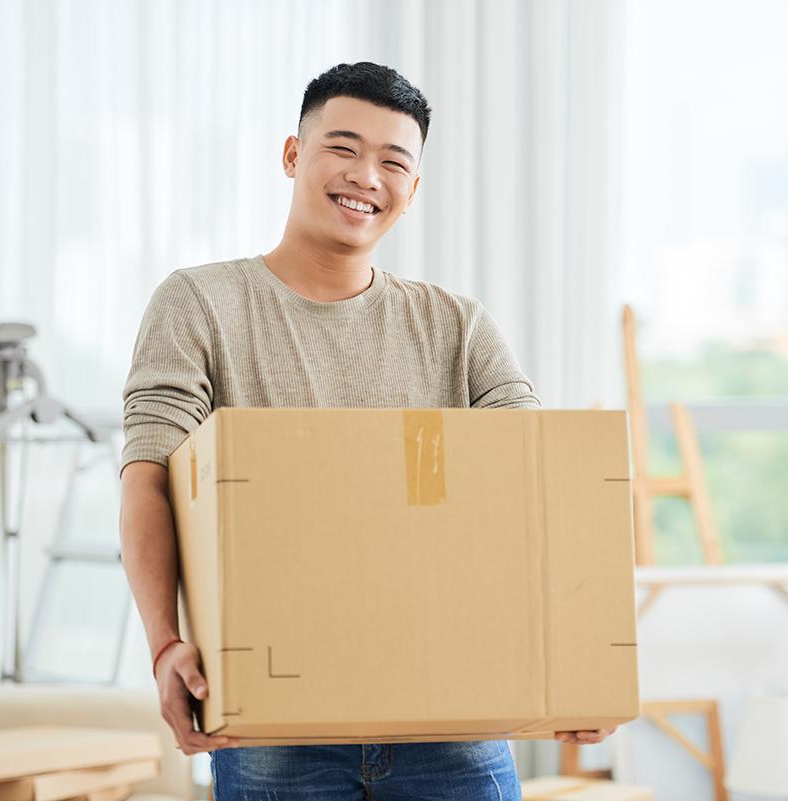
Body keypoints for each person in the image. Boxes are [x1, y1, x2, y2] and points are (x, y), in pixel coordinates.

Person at [119, 62, 614, 801]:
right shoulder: (200, 304)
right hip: (275, 731)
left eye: (393, 161)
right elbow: (147, 476)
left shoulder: (457, 327)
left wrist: (575, 659)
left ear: (412, 191)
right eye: (343, 148)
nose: (366, 176)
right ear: (293, 155)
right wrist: (163, 644)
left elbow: (538, 483)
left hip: (456, 726)